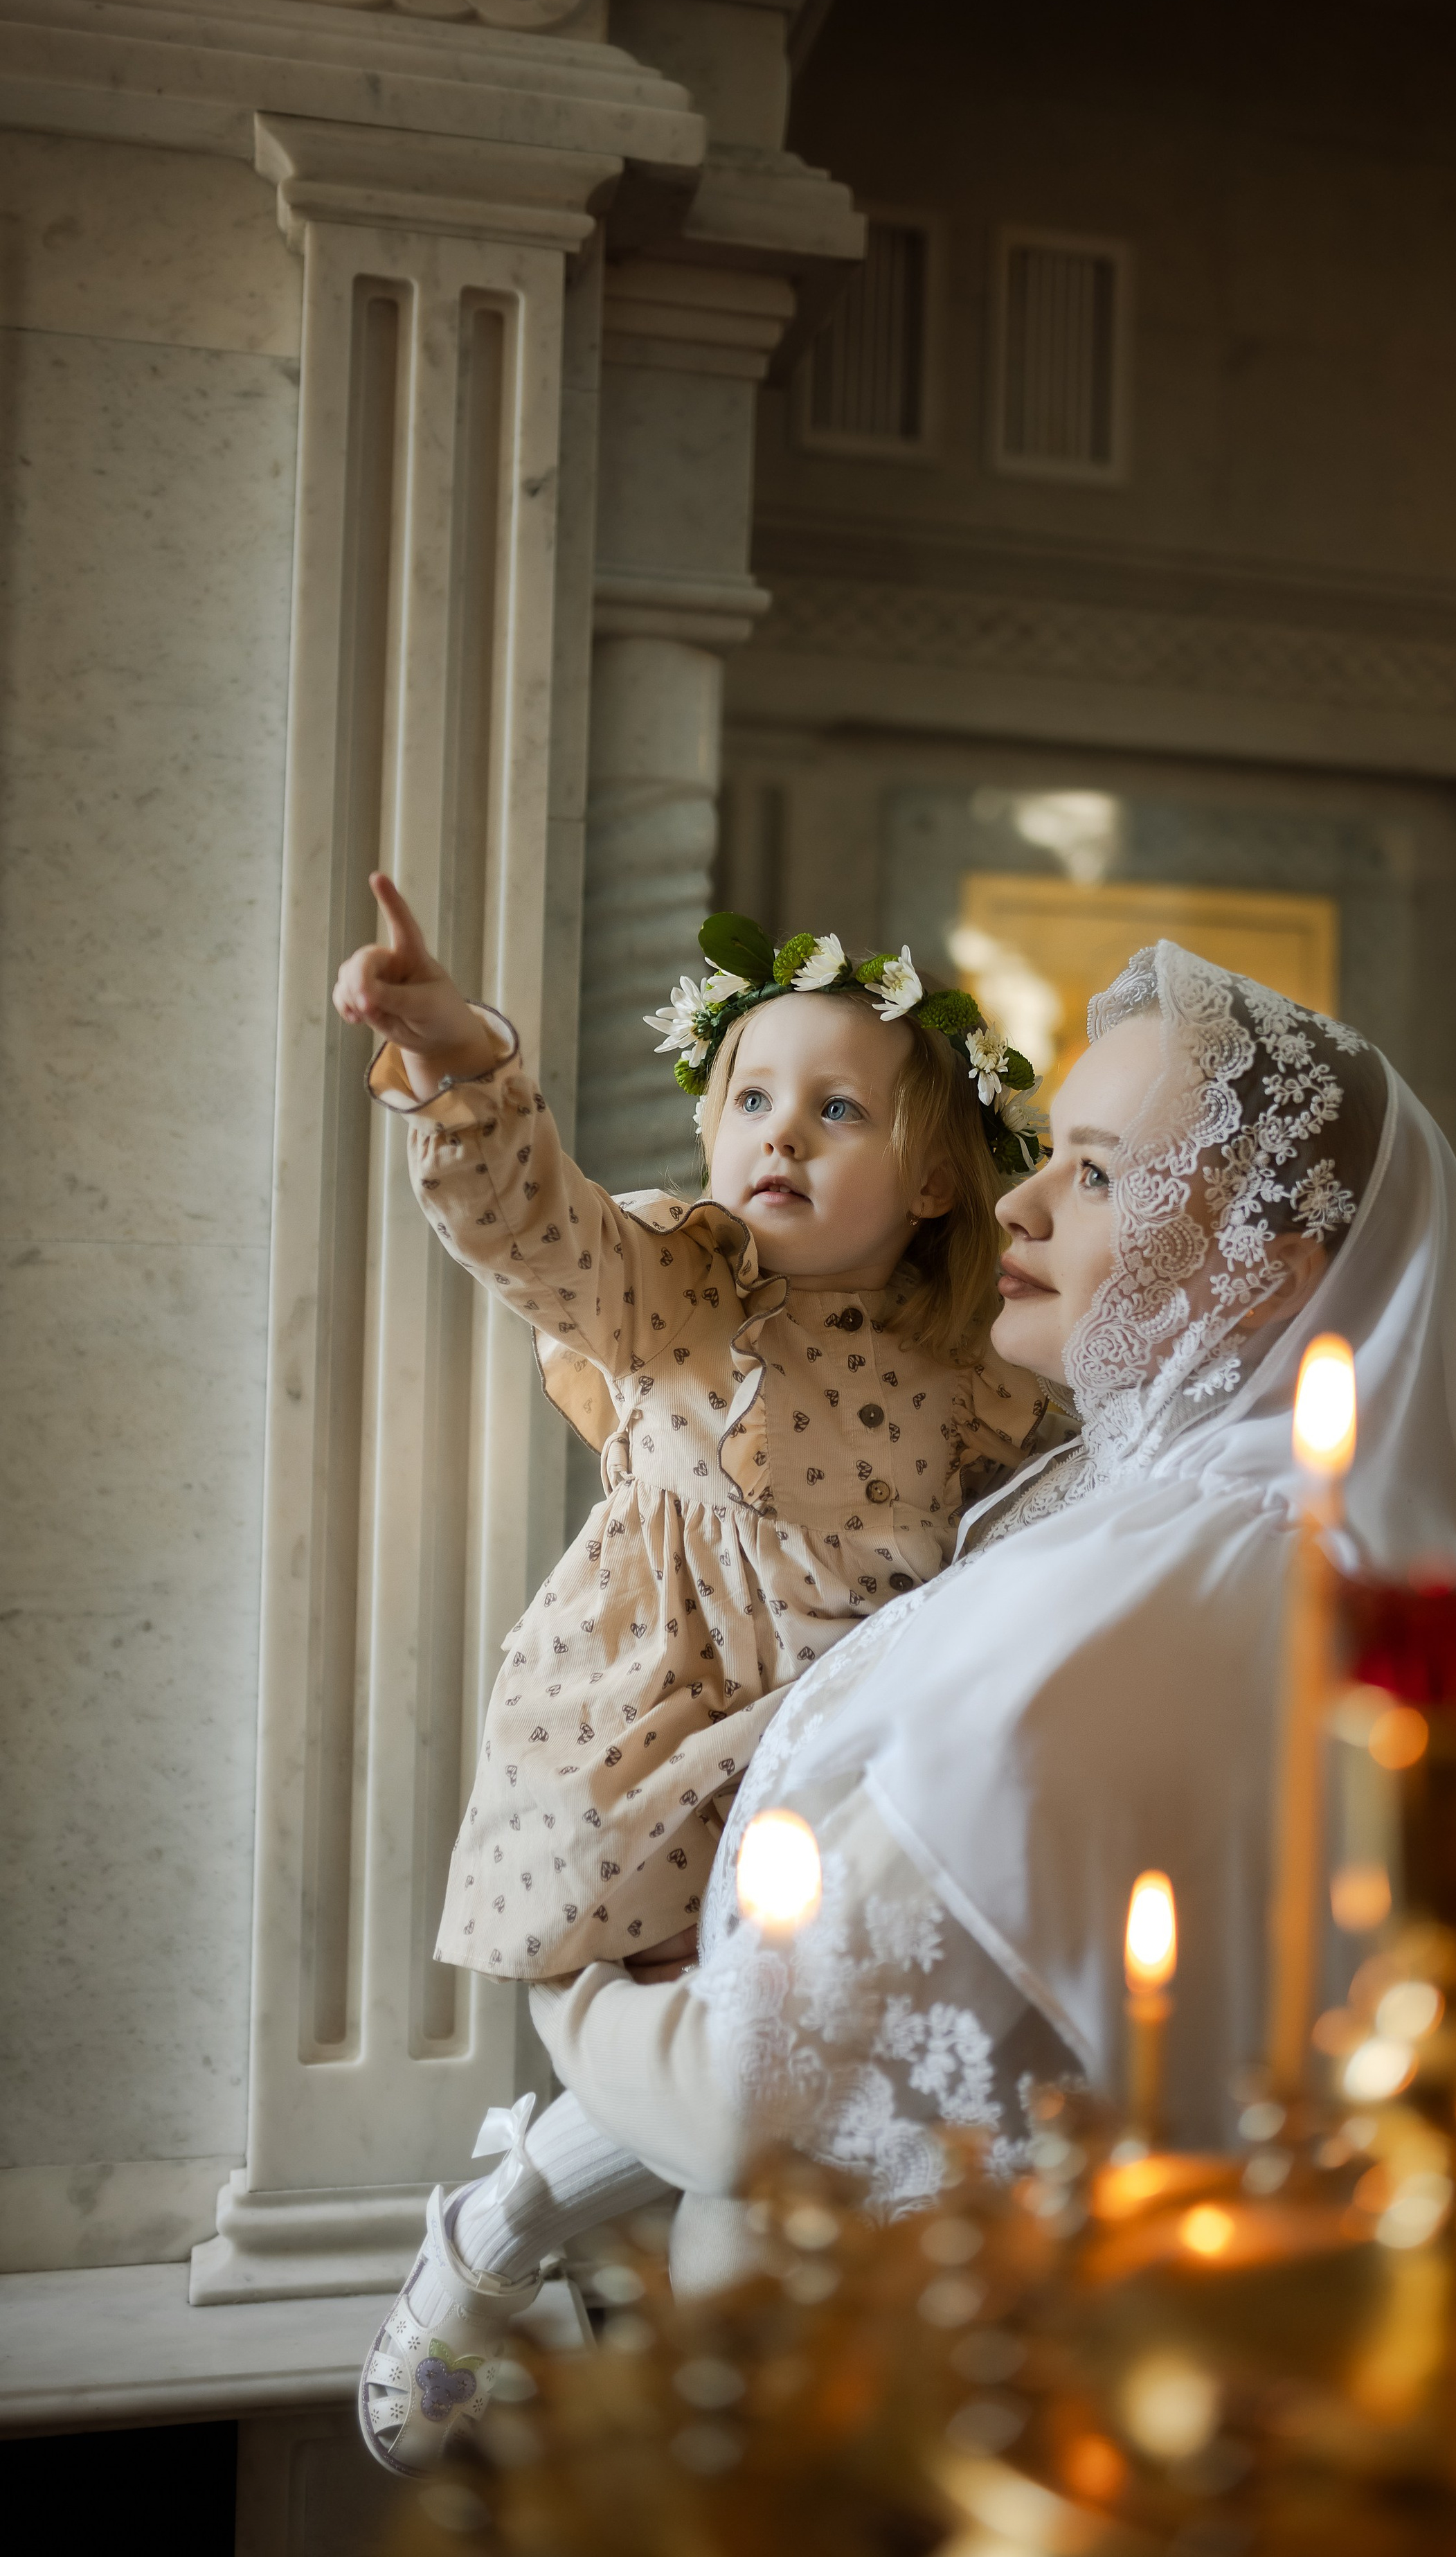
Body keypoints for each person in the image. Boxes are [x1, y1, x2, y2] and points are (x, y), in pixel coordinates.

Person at [357, 940, 1456, 2469]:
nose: (1022, 1204)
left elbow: (747, 2106)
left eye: (1099, 1177)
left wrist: (559, 1973)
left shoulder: (1145, 1602)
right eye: (1044, 1159)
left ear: (1259, 1267)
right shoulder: (1157, 1514)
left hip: (876, 2418)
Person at [334, 878, 1051, 2471]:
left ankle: (572, 2244)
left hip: (844, 1748)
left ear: (934, 1176)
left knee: (816, 2059)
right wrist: (462, 1064)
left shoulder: (969, 1374)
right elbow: (538, 1229)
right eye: (748, 1098)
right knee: (725, 2055)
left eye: (834, 1108)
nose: (773, 1137)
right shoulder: (682, 1281)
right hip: (665, 1726)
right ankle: (502, 2227)